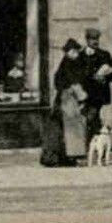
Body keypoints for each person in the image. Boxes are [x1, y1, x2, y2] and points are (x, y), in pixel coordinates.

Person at [41, 38, 88, 167]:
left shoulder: (67, 63)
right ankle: (60, 157)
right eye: (73, 51)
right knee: (65, 131)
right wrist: (76, 91)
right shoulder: (69, 65)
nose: (75, 54)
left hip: (64, 102)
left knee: (61, 131)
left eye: (76, 51)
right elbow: (69, 82)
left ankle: (59, 157)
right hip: (66, 103)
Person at [78, 26, 112, 140]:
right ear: (87, 40)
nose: (95, 41)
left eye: (97, 39)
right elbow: (77, 74)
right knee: (90, 119)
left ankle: (93, 144)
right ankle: (92, 144)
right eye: (92, 39)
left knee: (93, 117)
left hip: (99, 94)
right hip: (85, 93)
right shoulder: (80, 56)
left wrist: (105, 78)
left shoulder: (105, 54)